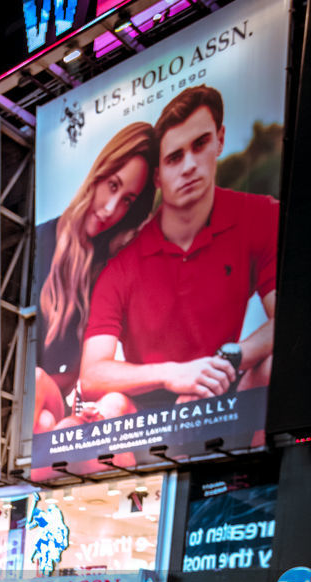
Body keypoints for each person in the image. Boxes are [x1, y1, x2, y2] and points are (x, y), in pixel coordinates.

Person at [80, 86, 278, 412]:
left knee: (274, 365)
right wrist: (174, 375)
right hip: (147, 419)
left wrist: (229, 360)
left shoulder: (260, 215)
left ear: (220, 139)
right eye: (175, 157)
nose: (189, 166)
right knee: (111, 405)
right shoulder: (122, 266)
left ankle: (259, 463)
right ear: (157, 176)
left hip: (226, 392)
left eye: (199, 145)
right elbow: (92, 374)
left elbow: (291, 316)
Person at [35, 122, 158, 432]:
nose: (111, 208)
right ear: (99, 174)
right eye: (113, 186)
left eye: (128, 199)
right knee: (43, 410)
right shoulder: (40, 243)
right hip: (36, 403)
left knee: (50, 414)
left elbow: (85, 373)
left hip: (64, 403)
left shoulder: (108, 266)